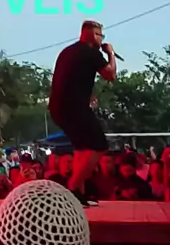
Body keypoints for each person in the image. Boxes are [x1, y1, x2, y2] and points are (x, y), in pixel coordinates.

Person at [48, 20, 117, 206]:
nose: (102, 39)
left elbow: (71, 78)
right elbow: (111, 74)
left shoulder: (67, 51)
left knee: (83, 148)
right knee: (99, 145)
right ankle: (71, 189)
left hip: (58, 107)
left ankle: (79, 193)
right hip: (74, 107)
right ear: (93, 35)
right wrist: (110, 53)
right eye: (100, 35)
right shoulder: (91, 52)